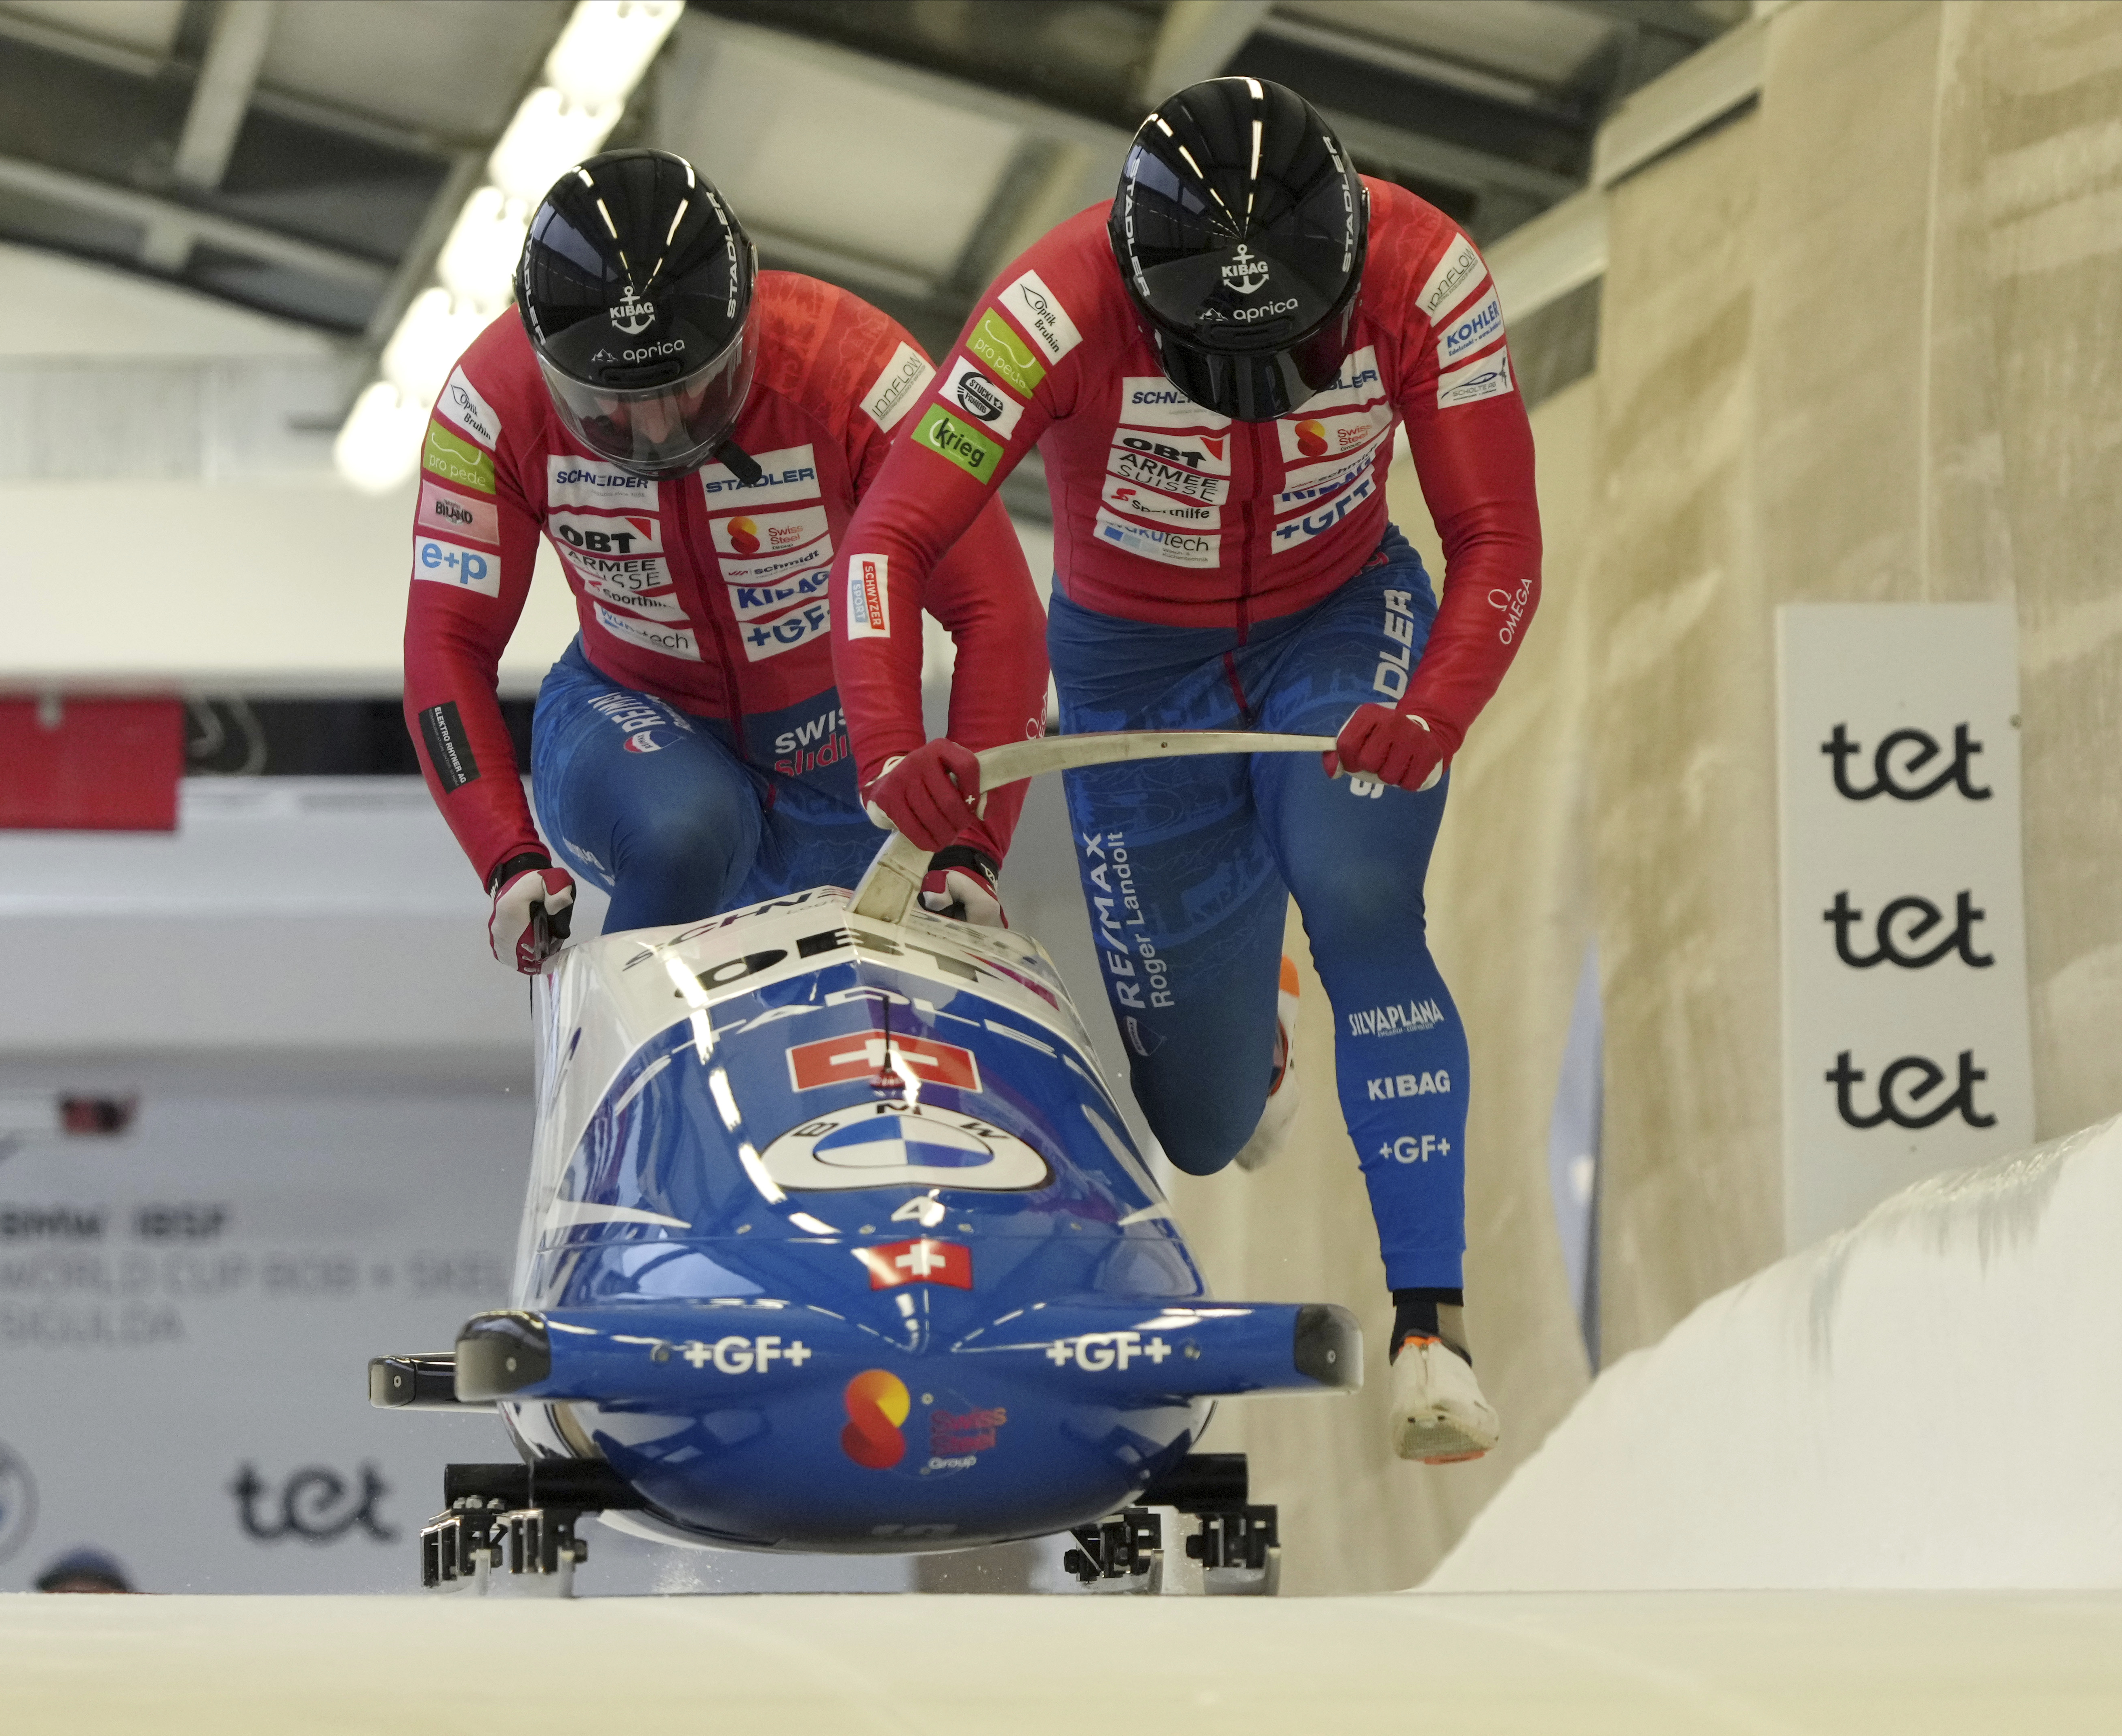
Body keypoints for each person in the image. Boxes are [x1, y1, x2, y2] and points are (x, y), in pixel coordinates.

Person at [831, 79, 1541, 1464]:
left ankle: (1432, 1329)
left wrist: (1438, 709)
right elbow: (886, 540)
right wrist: (886, 747)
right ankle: (1248, 1003)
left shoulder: (1429, 277)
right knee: (1202, 1124)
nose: (1264, 382)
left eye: (1300, 348)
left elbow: (1497, 540)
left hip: (1338, 629)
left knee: (1360, 891)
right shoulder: (1051, 307)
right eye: (1225, 358)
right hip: (1132, 674)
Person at [400, 150, 1047, 967]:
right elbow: (444, 644)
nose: (660, 430)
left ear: (744, 329)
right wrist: (507, 854)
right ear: (546, 365)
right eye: (613, 403)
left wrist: (973, 849)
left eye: (692, 384)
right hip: (633, 722)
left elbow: (996, 609)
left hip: (845, 754)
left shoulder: (855, 366)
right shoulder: (484, 408)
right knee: (680, 833)